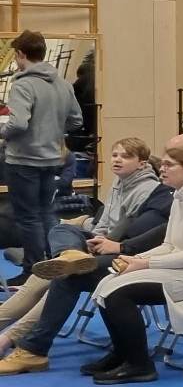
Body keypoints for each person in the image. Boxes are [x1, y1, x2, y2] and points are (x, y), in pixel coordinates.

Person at [0, 137, 173, 374]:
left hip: (125, 254)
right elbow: (105, 223)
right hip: (104, 245)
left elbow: (126, 234)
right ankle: (68, 256)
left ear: (142, 163)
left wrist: (100, 241)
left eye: (125, 156)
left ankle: (15, 342)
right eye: (115, 155)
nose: (117, 160)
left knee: (65, 276)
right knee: (59, 238)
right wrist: (91, 234)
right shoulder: (120, 183)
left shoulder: (150, 191)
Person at [87, 139, 183, 384]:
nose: (162, 169)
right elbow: (170, 245)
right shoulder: (181, 195)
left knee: (120, 293)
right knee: (108, 283)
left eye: (169, 165)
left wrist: (145, 264)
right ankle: (122, 353)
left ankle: (139, 365)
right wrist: (136, 258)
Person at [2, 30, 83, 277]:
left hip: (23, 160)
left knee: (28, 218)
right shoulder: (63, 84)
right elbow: (76, 121)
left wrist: (2, 131)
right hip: (52, 159)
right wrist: (52, 130)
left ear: (20, 54)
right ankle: (57, 261)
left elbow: (18, 124)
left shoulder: (23, 84)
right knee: (46, 212)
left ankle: (34, 271)